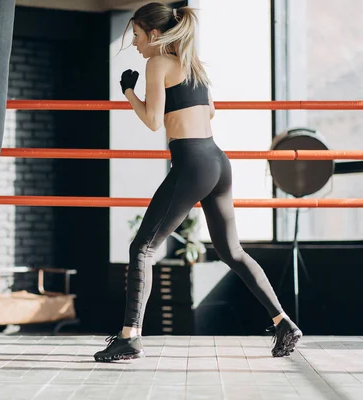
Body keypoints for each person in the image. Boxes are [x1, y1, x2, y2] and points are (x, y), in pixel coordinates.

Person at [94, 2, 302, 362]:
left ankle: (130, 337)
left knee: (142, 248)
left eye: (139, 37)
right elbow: (210, 112)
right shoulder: (196, 66)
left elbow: (153, 121)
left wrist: (130, 92)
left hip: (191, 162)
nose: (137, 45)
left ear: (155, 35)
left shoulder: (156, 63)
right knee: (232, 252)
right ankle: (283, 321)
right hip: (217, 162)